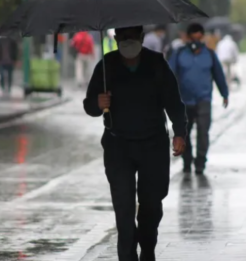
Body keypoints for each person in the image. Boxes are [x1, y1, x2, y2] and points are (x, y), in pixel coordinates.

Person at [84, 26, 187, 261]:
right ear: (116, 38)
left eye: (133, 36)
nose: (128, 41)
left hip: (153, 146)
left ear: (141, 38)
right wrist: (97, 102)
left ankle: (148, 247)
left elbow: (174, 102)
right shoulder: (106, 66)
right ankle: (127, 256)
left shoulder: (157, 64)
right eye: (123, 37)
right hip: (118, 147)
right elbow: (89, 106)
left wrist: (180, 133)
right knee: (124, 208)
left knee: (151, 205)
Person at [168, 23, 229, 175]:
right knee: (184, 133)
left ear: (203, 37)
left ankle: (200, 162)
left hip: (204, 100)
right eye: (193, 37)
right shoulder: (179, 54)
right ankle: (187, 160)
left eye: (199, 36)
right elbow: (168, 75)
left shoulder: (209, 54)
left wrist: (224, 94)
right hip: (184, 101)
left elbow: (218, 75)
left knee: (203, 132)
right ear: (188, 38)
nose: (196, 40)